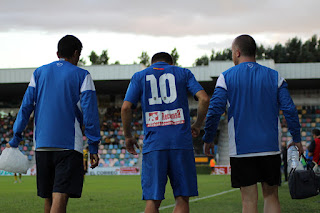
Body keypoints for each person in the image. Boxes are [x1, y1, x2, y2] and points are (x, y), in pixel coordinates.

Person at [202, 35, 302, 213]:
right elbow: (290, 109)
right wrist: (297, 138)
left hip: (242, 149)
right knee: (271, 197)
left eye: (232, 53)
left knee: (248, 202)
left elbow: (215, 110)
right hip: (270, 147)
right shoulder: (275, 76)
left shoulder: (226, 77)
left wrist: (209, 138)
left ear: (237, 52)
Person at [6, 35, 101, 213]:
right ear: (76, 54)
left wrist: (16, 136)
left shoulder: (39, 73)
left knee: (49, 197)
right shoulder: (82, 75)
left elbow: (26, 106)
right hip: (68, 145)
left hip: (41, 145)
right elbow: (90, 113)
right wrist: (93, 146)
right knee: (61, 196)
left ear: (57, 53)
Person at [121, 52, 209, 213]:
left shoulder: (140, 76)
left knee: (153, 201)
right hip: (181, 143)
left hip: (154, 144)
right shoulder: (183, 73)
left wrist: (128, 136)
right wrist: (197, 125)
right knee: (182, 198)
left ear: (152, 63)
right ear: (171, 63)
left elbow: (126, 107)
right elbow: (204, 99)